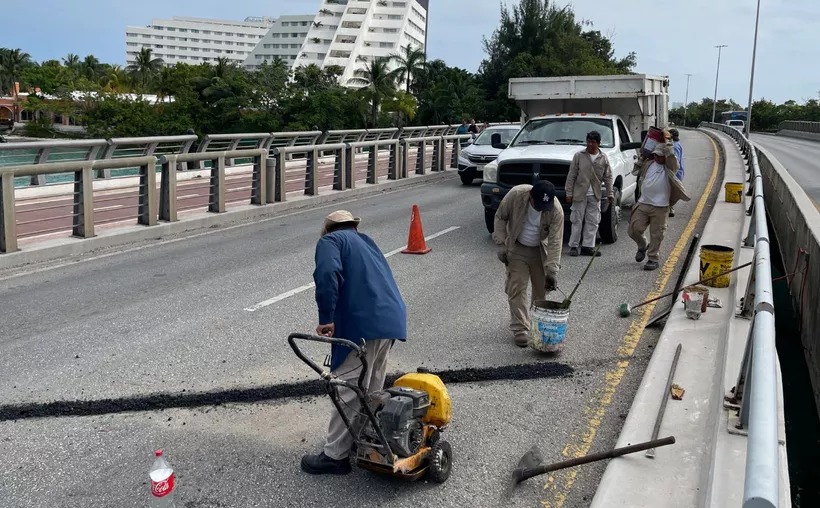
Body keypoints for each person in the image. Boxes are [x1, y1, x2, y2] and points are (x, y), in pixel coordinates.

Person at [301, 210, 408, 475]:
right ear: (354, 226)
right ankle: (360, 441)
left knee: (346, 389)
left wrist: (326, 317)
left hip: (362, 325)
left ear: (327, 229)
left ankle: (335, 456)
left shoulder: (331, 241)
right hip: (390, 321)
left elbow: (326, 275)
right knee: (370, 389)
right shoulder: (367, 241)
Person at [492, 181, 565, 347]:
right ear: (531, 196)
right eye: (538, 205)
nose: (541, 209)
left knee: (541, 290)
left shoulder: (556, 210)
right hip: (517, 247)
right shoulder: (516, 195)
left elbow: (555, 241)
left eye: (545, 206)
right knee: (517, 286)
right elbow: (500, 217)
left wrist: (552, 271)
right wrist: (501, 244)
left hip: (540, 251)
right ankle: (520, 329)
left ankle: (537, 325)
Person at [628, 140, 691, 271]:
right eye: (655, 154)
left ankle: (652, 258)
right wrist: (642, 157)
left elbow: (672, 158)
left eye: (660, 155)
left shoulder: (670, 167)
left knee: (657, 234)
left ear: (665, 156)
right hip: (644, 202)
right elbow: (635, 171)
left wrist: (667, 143)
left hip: (660, 206)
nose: (657, 157)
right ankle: (642, 245)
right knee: (633, 229)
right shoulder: (649, 163)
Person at [564, 131, 614, 257]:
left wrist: (610, 193)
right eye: (589, 141)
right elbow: (572, 175)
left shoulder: (603, 157)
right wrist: (569, 192)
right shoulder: (579, 156)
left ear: (598, 143)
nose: (590, 144)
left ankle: (588, 246)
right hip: (580, 194)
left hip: (595, 194)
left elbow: (608, 177)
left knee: (593, 221)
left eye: (593, 142)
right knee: (577, 220)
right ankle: (574, 246)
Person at [668, 128, 684, 217]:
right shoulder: (677, 144)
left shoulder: (674, 146)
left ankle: (670, 207)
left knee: (670, 191)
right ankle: (670, 207)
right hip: (678, 173)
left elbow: (675, 160)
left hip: (675, 173)